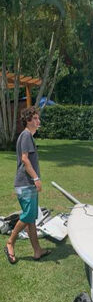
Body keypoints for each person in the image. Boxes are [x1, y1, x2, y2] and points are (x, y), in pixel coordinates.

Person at [5, 107, 49, 264]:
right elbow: (25, 159)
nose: (38, 121)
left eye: (38, 118)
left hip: (27, 184)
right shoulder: (26, 136)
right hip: (25, 183)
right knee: (28, 216)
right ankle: (10, 242)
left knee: (31, 219)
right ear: (28, 121)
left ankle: (37, 251)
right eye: (35, 118)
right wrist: (36, 178)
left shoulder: (27, 136)